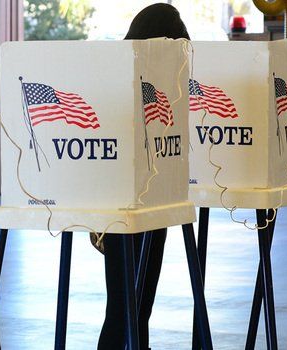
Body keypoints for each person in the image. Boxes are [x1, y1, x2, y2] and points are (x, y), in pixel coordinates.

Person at [97, 4, 190, 350]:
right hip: (135, 204)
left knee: (131, 309)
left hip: (145, 200)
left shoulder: (122, 78)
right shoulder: (131, 83)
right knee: (129, 309)